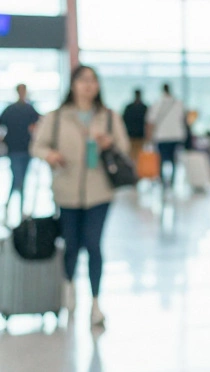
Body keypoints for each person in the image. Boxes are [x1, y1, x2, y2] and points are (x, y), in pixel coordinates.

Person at [31, 66, 131, 328]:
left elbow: (125, 148)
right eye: (83, 80)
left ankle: (96, 302)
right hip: (67, 189)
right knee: (72, 244)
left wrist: (108, 144)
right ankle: (69, 288)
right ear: (73, 85)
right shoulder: (56, 117)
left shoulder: (108, 116)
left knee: (94, 244)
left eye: (93, 80)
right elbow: (37, 146)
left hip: (100, 190)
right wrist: (50, 155)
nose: (88, 85)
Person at [1, 84, 41, 210]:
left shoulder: (29, 109)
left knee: (22, 178)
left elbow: (40, 123)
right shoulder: (10, 109)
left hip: (26, 148)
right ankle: (12, 205)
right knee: (18, 178)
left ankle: (19, 207)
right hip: (14, 148)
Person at [146, 83, 187, 189]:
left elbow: (150, 122)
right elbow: (184, 119)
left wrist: (148, 138)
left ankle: (162, 180)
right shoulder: (179, 103)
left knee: (160, 159)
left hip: (161, 136)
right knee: (173, 159)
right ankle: (172, 181)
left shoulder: (157, 103)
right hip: (176, 135)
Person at [122, 89, 148, 162]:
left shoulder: (129, 107)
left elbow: (123, 120)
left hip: (131, 134)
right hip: (140, 135)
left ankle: (134, 170)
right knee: (139, 155)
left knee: (132, 156)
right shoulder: (144, 108)